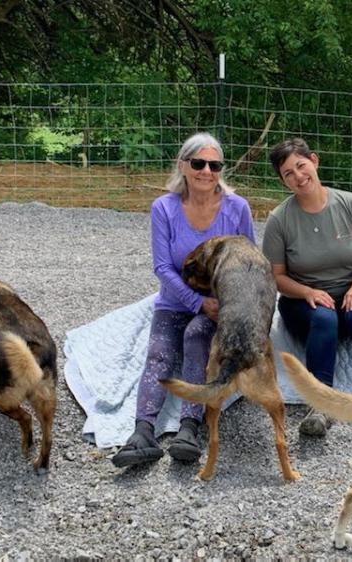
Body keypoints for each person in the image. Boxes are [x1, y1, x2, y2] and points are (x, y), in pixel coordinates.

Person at [112, 132, 255, 467]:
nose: (206, 171)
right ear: (183, 165)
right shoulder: (164, 208)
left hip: (219, 304)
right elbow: (162, 267)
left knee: (195, 338)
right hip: (176, 301)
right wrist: (196, 302)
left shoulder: (237, 208)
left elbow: (249, 261)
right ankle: (142, 432)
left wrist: (227, 306)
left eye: (214, 165)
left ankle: (189, 428)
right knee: (159, 353)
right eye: (199, 163)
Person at [262, 137, 352, 437]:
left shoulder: (351, 204)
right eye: (288, 173)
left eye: (301, 165)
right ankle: (321, 406)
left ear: (314, 161)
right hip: (303, 302)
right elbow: (276, 276)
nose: (298, 176)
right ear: (283, 181)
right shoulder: (279, 219)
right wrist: (307, 292)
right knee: (324, 317)